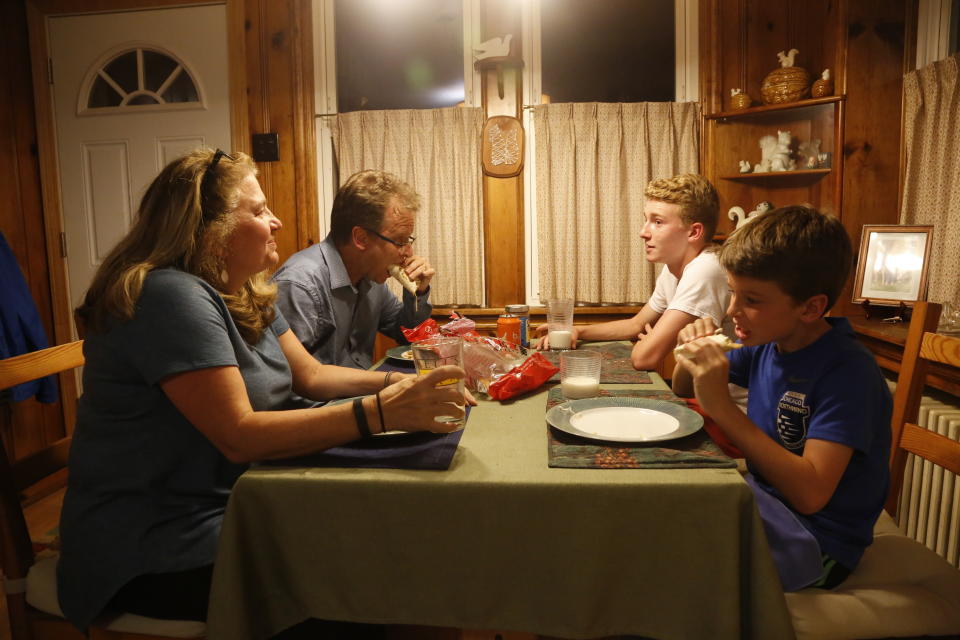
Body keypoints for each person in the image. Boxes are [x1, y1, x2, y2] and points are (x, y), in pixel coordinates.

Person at [57, 149, 468, 633]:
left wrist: (400, 382)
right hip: (156, 543)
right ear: (206, 228)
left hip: (243, 501)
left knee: (383, 546)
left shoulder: (244, 290)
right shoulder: (170, 295)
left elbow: (311, 376)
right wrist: (379, 412)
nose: (275, 222)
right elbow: (240, 435)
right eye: (257, 210)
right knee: (366, 579)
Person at [671, 205, 892, 591]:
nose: (732, 311)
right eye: (732, 292)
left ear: (811, 307)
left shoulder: (848, 372)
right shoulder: (768, 344)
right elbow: (682, 387)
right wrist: (692, 349)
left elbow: (810, 494)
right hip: (766, 506)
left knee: (671, 566)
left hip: (819, 542)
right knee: (655, 516)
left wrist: (722, 407)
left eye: (752, 299)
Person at [533, 173, 732, 372]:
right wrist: (576, 330)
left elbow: (644, 358)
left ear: (694, 232)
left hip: (735, 400)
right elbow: (636, 324)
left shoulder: (705, 269)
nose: (643, 232)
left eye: (658, 222)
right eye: (646, 220)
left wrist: (648, 343)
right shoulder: (673, 269)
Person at [273, 170, 434, 370]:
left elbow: (406, 333)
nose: (408, 253)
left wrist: (418, 292)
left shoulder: (371, 278)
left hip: (361, 394)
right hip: (328, 401)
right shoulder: (300, 286)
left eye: (408, 240)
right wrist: (382, 387)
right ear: (361, 238)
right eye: (399, 241)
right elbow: (291, 383)